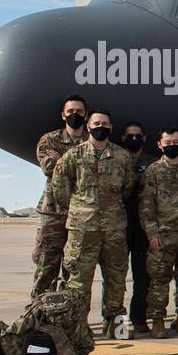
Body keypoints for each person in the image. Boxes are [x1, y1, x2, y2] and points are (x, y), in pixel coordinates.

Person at [52, 109, 135, 336]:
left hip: (114, 228)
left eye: (105, 124)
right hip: (82, 230)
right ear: (88, 126)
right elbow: (60, 188)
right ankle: (78, 328)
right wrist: (79, 210)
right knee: (78, 281)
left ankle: (115, 326)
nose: (101, 127)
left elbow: (128, 187)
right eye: (97, 123)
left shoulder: (122, 156)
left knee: (117, 278)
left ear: (111, 128)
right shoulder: (73, 155)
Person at [140, 127, 178, 338]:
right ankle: (157, 321)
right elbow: (146, 206)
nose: (172, 146)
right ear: (160, 145)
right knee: (159, 279)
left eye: (175, 142)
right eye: (167, 143)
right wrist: (152, 234)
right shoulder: (153, 171)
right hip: (163, 235)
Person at [31, 94, 86, 298]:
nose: (75, 115)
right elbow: (49, 168)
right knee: (47, 265)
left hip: (81, 212)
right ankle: (36, 316)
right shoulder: (49, 139)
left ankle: (68, 317)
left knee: (73, 268)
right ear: (63, 115)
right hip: (53, 211)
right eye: (71, 111)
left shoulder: (91, 142)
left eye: (79, 111)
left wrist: (62, 160)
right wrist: (78, 164)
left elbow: (92, 172)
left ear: (85, 114)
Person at [118, 121, 155, 333]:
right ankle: (116, 324)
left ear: (144, 138)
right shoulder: (116, 160)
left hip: (143, 224)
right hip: (119, 224)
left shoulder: (151, 163)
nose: (134, 139)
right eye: (130, 135)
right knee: (115, 279)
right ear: (123, 138)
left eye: (138, 135)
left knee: (143, 276)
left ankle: (139, 318)